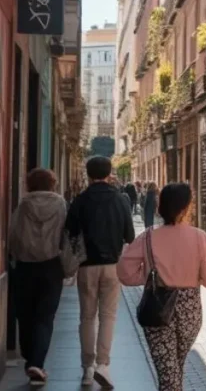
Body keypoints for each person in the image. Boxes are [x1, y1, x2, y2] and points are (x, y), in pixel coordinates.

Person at [117, 183, 206, 391]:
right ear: (186, 207)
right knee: (173, 370)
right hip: (189, 310)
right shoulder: (199, 237)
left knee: (169, 373)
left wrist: (148, 277)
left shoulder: (148, 236)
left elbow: (124, 274)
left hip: (157, 306)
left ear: (160, 206)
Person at [65, 156, 136, 388]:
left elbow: (71, 233)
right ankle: (103, 365)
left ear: (88, 174)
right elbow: (130, 236)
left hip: (87, 266)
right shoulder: (120, 199)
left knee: (86, 316)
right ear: (109, 174)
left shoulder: (80, 200)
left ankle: (87, 368)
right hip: (112, 266)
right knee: (108, 317)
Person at [8, 168, 68, 386]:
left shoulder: (24, 205)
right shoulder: (60, 204)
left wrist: (14, 254)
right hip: (51, 266)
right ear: (52, 184)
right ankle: (36, 362)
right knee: (45, 316)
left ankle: (31, 359)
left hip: (25, 266)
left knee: (25, 314)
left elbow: (13, 232)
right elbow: (66, 232)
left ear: (30, 184)